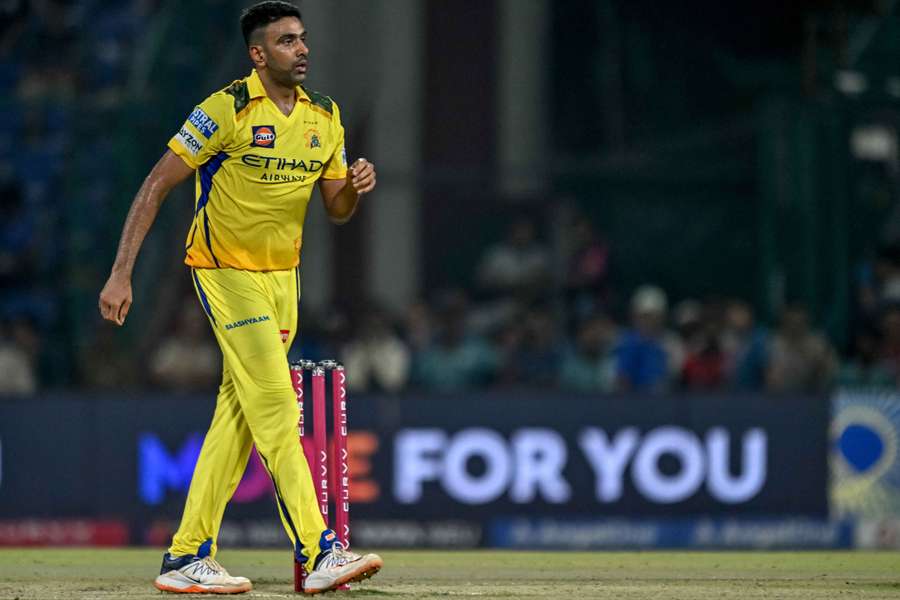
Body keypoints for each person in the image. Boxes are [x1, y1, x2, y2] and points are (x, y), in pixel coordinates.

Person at [97, 2, 382, 594]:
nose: (302, 49)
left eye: (302, 39)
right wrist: (122, 272)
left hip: (285, 279)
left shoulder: (324, 116)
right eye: (286, 42)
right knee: (277, 401)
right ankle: (321, 549)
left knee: (239, 412)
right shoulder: (224, 109)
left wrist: (352, 189)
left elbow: (335, 209)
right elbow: (156, 185)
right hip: (223, 270)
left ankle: (186, 557)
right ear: (258, 55)